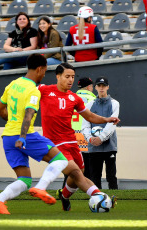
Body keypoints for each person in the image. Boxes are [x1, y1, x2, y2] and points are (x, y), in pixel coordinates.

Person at [0, 54, 69, 215]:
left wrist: (12, 123)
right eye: (44, 71)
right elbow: (29, 114)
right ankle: (40, 188)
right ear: (39, 69)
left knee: (24, 180)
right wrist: (23, 137)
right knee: (61, 160)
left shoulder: (13, 84)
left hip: (7, 137)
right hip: (24, 136)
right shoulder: (33, 91)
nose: (44, 75)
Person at [38, 63, 119, 211]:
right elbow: (25, 94)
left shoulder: (74, 98)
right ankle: (100, 196)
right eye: (67, 76)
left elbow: (89, 116)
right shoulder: (44, 90)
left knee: (79, 172)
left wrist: (107, 119)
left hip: (71, 141)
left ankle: (64, 195)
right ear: (58, 76)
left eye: (73, 77)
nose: (70, 80)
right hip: (56, 144)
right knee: (75, 172)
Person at [82, 77, 120, 190]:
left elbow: (112, 124)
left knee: (111, 176)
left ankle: (114, 199)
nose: (101, 88)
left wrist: (101, 138)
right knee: (95, 177)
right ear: (95, 87)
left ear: (107, 87)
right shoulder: (89, 104)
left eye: (104, 85)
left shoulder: (114, 103)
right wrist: (90, 138)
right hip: (94, 146)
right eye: (99, 86)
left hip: (109, 146)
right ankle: (97, 198)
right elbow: (85, 125)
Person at [72, 77, 96, 179]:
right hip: (86, 134)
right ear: (89, 87)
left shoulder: (71, 97)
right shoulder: (93, 100)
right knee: (89, 166)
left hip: (72, 136)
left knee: (73, 165)